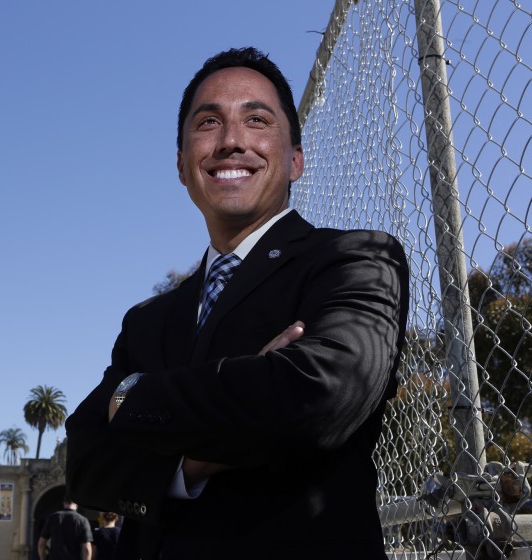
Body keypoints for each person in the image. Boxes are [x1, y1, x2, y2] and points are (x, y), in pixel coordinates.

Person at [65, 46, 409, 559]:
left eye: (256, 119)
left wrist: (132, 398)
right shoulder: (146, 321)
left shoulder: (354, 260)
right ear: (183, 166)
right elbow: (86, 464)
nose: (230, 141)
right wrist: (204, 455)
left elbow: (318, 397)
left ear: (295, 160)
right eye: (208, 123)